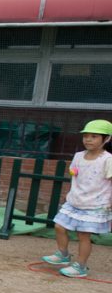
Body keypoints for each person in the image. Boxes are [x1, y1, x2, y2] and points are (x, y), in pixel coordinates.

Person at [41, 119, 112, 278]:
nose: (88, 139)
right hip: (75, 201)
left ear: (106, 138)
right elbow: (76, 175)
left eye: (94, 136)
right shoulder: (78, 156)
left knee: (83, 235)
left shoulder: (108, 160)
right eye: (86, 136)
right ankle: (63, 254)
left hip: (95, 205)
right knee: (59, 226)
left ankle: (81, 266)